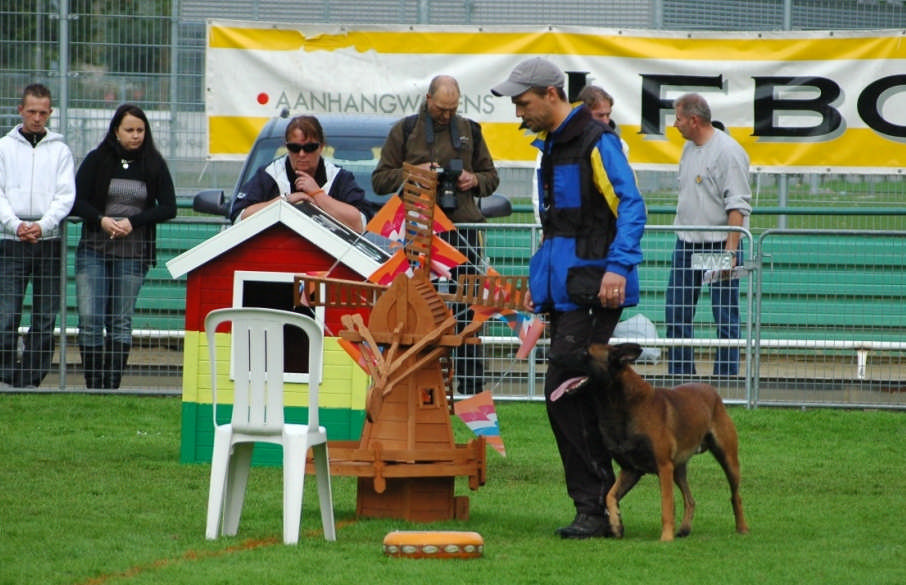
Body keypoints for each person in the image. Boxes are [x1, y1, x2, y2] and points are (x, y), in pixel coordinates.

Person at [491, 58, 646, 538]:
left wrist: (618, 267)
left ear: (551, 94)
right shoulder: (554, 147)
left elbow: (631, 206)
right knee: (583, 394)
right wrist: (544, 291)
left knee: (562, 387)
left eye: (523, 101)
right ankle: (612, 492)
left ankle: (596, 507)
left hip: (597, 287)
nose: (518, 112)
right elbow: (558, 234)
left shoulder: (597, 142)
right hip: (569, 291)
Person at [372, 75, 500, 395]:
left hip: (462, 227)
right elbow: (379, 181)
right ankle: (411, 378)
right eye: (441, 109)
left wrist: (473, 180)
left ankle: (470, 386)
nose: (446, 116)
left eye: (452, 109)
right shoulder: (405, 130)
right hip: (416, 227)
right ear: (428, 99)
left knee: (468, 305)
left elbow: (492, 177)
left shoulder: (470, 130)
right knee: (412, 303)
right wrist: (414, 173)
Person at [71, 104, 177, 389]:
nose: (135, 136)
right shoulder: (97, 159)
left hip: (133, 254)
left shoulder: (154, 163)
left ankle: (112, 385)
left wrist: (134, 221)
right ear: (116, 131)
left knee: (120, 320)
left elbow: (169, 207)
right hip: (94, 249)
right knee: (91, 317)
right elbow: (76, 200)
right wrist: (101, 219)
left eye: (140, 130)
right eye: (129, 130)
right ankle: (94, 385)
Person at [665, 93, 752, 376]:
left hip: (718, 246)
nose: (675, 125)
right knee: (677, 311)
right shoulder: (689, 149)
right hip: (687, 244)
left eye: (678, 118)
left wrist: (730, 252)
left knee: (724, 313)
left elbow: (737, 204)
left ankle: (726, 379)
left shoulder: (728, 152)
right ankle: (681, 376)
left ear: (694, 120)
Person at [0, 83, 75, 388]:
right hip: (10, 240)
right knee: (7, 312)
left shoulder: (60, 150)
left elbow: (65, 195)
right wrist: (13, 224)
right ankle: (5, 375)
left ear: (50, 113)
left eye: (43, 112)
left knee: (44, 316)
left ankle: (32, 378)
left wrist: (43, 225)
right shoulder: (4, 147)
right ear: (20, 110)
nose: (37, 117)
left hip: (49, 241)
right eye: (31, 111)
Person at [230, 114, 372, 232]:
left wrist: (318, 195)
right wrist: (285, 201)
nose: (302, 154)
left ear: (321, 147)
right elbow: (239, 217)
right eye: (294, 148)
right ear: (286, 146)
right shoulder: (269, 175)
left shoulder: (339, 178)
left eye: (309, 147)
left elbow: (361, 223)